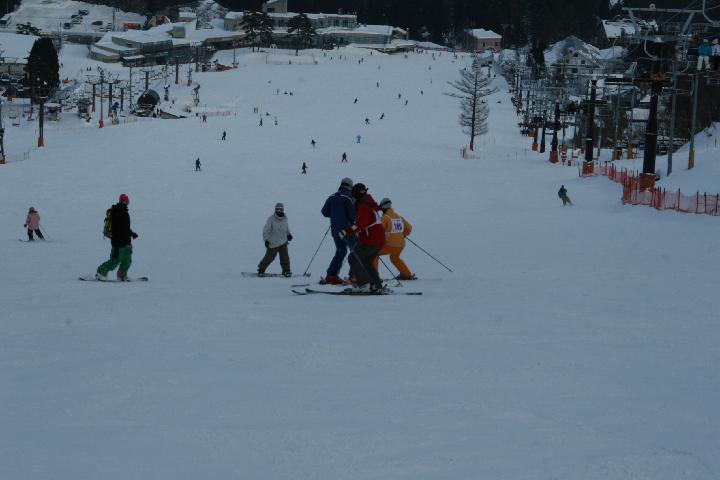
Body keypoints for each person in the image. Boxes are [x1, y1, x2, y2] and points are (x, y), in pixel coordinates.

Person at [339, 183, 387, 293]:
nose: (352, 199)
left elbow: (360, 225)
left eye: (352, 196)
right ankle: (376, 285)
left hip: (371, 240)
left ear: (356, 195)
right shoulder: (369, 203)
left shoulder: (363, 206)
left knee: (353, 258)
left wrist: (346, 231)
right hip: (378, 240)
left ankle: (364, 285)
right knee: (366, 262)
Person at [320, 178, 356, 285]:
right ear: (350, 186)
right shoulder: (348, 198)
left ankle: (331, 275)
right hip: (348, 230)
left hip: (335, 230)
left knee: (341, 251)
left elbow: (324, 212)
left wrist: (335, 215)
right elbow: (353, 216)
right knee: (356, 251)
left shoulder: (332, 196)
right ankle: (354, 276)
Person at [96, 194, 138, 281]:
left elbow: (125, 228)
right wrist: (127, 241)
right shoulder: (119, 212)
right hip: (119, 243)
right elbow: (120, 229)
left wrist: (132, 234)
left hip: (125, 242)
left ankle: (122, 276)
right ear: (125, 201)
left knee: (127, 260)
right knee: (115, 260)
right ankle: (101, 272)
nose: (128, 202)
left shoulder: (124, 212)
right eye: (127, 201)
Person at [373, 198, 415, 280]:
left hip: (390, 244)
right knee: (394, 258)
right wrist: (403, 235)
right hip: (401, 245)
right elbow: (409, 228)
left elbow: (378, 230)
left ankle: (373, 277)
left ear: (383, 207)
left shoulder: (385, 217)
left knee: (374, 253)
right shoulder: (399, 217)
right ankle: (406, 274)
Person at [258, 203, 292, 277]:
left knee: (285, 258)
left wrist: (288, 234)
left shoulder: (285, 218)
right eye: (278, 209)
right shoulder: (271, 219)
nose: (279, 211)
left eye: (281, 209)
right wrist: (266, 240)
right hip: (273, 243)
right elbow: (266, 231)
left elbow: (286, 228)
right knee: (269, 257)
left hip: (283, 242)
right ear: (275, 210)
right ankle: (261, 270)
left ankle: (286, 271)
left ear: (283, 210)